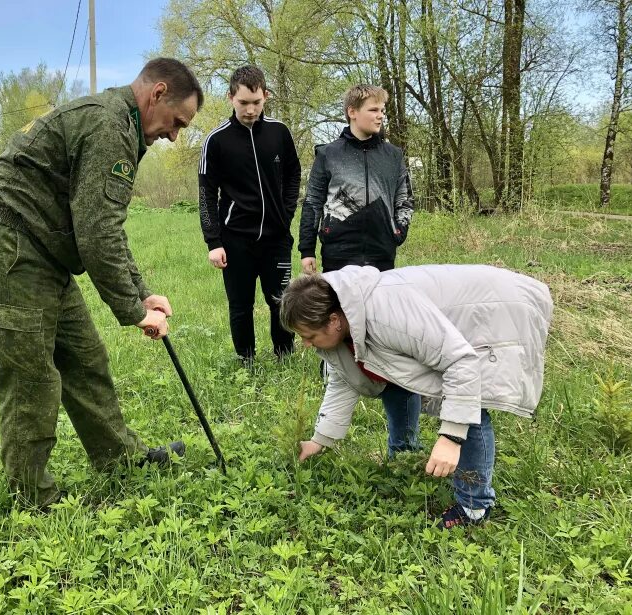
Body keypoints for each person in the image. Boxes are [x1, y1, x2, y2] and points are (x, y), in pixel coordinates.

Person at [0, 58, 203, 509]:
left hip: (43, 251)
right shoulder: (111, 126)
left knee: (85, 358)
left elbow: (106, 224)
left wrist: (141, 292)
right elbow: (96, 234)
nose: (173, 135)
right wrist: (134, 312)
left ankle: (118, 460)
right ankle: (33, 499)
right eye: (176, 122)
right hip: (11, 246)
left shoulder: (121, 123)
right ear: (157, 93)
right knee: (32, 378)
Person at [279, 265, 553, 528]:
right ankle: (405, 457)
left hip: (495, 312)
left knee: (472, 403)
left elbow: (461, 362)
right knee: (391, 377)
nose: (304, 344)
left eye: (309, 335)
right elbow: (346, 380)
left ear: (334, 322)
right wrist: (320, 441)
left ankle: (474, 506)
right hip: (451, 326)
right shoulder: (344, 325)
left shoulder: (386, 317)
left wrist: (451, 438)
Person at [298, 84, 420, 446]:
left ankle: (382, 373)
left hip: (382, 251)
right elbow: (313, 202)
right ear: (352, 111)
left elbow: (406, 198)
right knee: (335, 317)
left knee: (382, 318)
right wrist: (308, 246)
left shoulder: (394, 155)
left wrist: (397, 231)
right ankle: (335, 378)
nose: (381, 115)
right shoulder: (328, 154)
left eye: (383, 109)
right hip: (339, 249)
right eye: (373, 109)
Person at [199, 65, 301, 365]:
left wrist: (286, 211)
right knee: (240, 305)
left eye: (256, 102)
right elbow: (206, 193)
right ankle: (246, 361)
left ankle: (285, 356)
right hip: (235, 240)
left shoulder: (279, 132)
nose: (250, 109)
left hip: (277, 238)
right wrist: (213, 241)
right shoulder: (216, 140)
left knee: (281, 302)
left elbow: (294, 172)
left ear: (265, 96)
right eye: (243, 102)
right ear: (231, 97)